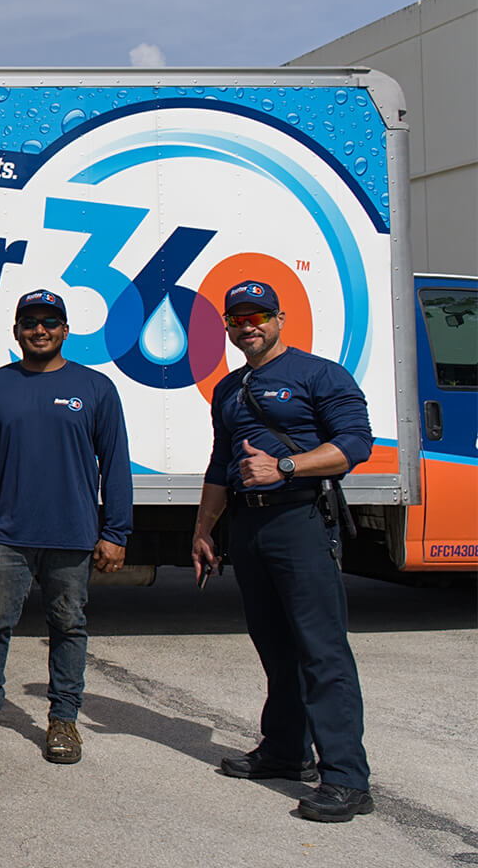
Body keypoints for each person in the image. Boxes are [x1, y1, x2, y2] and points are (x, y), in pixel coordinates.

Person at [192, 280, 374, 824]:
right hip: (249, 525)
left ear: (280, 318)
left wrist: (286, 466)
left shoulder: (320, 374)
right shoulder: (228, 389)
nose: (249, 325)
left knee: (322, 650)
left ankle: (345, 777)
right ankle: (284, 752)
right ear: (227, 326)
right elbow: (221, 463)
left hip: (300, 519)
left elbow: (355, 445)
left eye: (259, 316)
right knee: (272, 644)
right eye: (238, 318)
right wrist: (203, 529)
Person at [0, 289, 131, 765]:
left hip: (72, 534)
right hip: (6, 534)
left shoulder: (96, 387)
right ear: (16, 330)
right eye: (29, 322)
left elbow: (116, 464)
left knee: (68, 625)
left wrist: (116, 532)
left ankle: (63, 719)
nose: (39, 330)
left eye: (49, 322)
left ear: (65, 330)